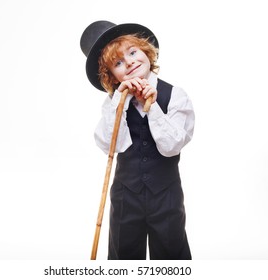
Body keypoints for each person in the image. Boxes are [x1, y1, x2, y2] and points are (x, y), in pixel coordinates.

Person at [80, 20, 195, 260]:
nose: (129, 62)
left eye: (132, 52)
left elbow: (171, 146)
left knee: (171, 255)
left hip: (166, 195)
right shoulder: (113, 104)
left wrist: (150, 107)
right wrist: (119, 103)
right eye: (118, 63)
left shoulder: (174, 95)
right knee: (124, 256)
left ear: (146, 51)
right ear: (111, 77)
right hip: (126, 196)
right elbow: (111, 144)